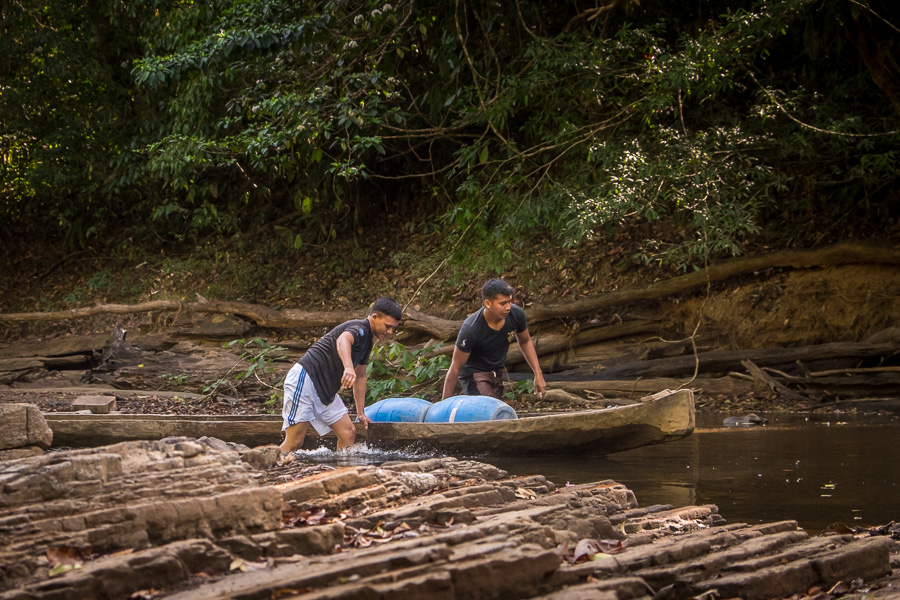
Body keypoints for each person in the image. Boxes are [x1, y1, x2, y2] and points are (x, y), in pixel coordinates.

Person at [280, 297, 402, 454]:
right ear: (375, 317)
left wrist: (360, 412)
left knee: (348, 433)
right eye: (388, 326)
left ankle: (342, 474)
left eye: (393, 328)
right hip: (305, 379)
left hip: (325, 390)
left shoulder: (367, 342)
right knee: (294, 442)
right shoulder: (359, 328)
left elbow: (361, 376)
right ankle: (265, 468)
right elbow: (342, 340)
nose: (390, 331)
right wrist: (348, 367)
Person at [441, 278, 546, 401]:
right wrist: (443, 405)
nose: (508, 307)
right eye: (502, 303)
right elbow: (455, 367)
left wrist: (538, 373)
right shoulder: (471, 328)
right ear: (488, 303)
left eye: (510, 301)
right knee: (487, 408)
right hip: (474, 374)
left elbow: (525, 341)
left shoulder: (516, 315)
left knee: (495, 411)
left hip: (496, 372)